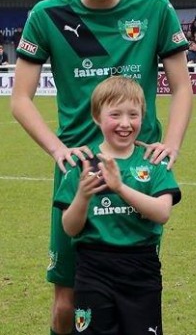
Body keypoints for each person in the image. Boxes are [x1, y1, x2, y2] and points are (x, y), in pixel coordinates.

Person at [9, 0, 193, 335]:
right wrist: (58, 150)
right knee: (66, 306)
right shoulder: (48, 15)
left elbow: (182, 88)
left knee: (134, 300)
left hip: (137, 170)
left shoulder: (154, 9)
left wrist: (172, 144)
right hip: (78, 173)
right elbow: (21, 99)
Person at [54, 76, 181, 335]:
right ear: (97, 117)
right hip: (93, 269)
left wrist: (120, 187)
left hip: (141, 269)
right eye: (115, 115)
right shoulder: (82, 163)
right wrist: (82, 196)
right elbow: (69, 228)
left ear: (142, 117)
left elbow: (162, 212)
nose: (125, 123)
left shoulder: (153, 160)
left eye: (133, 115)